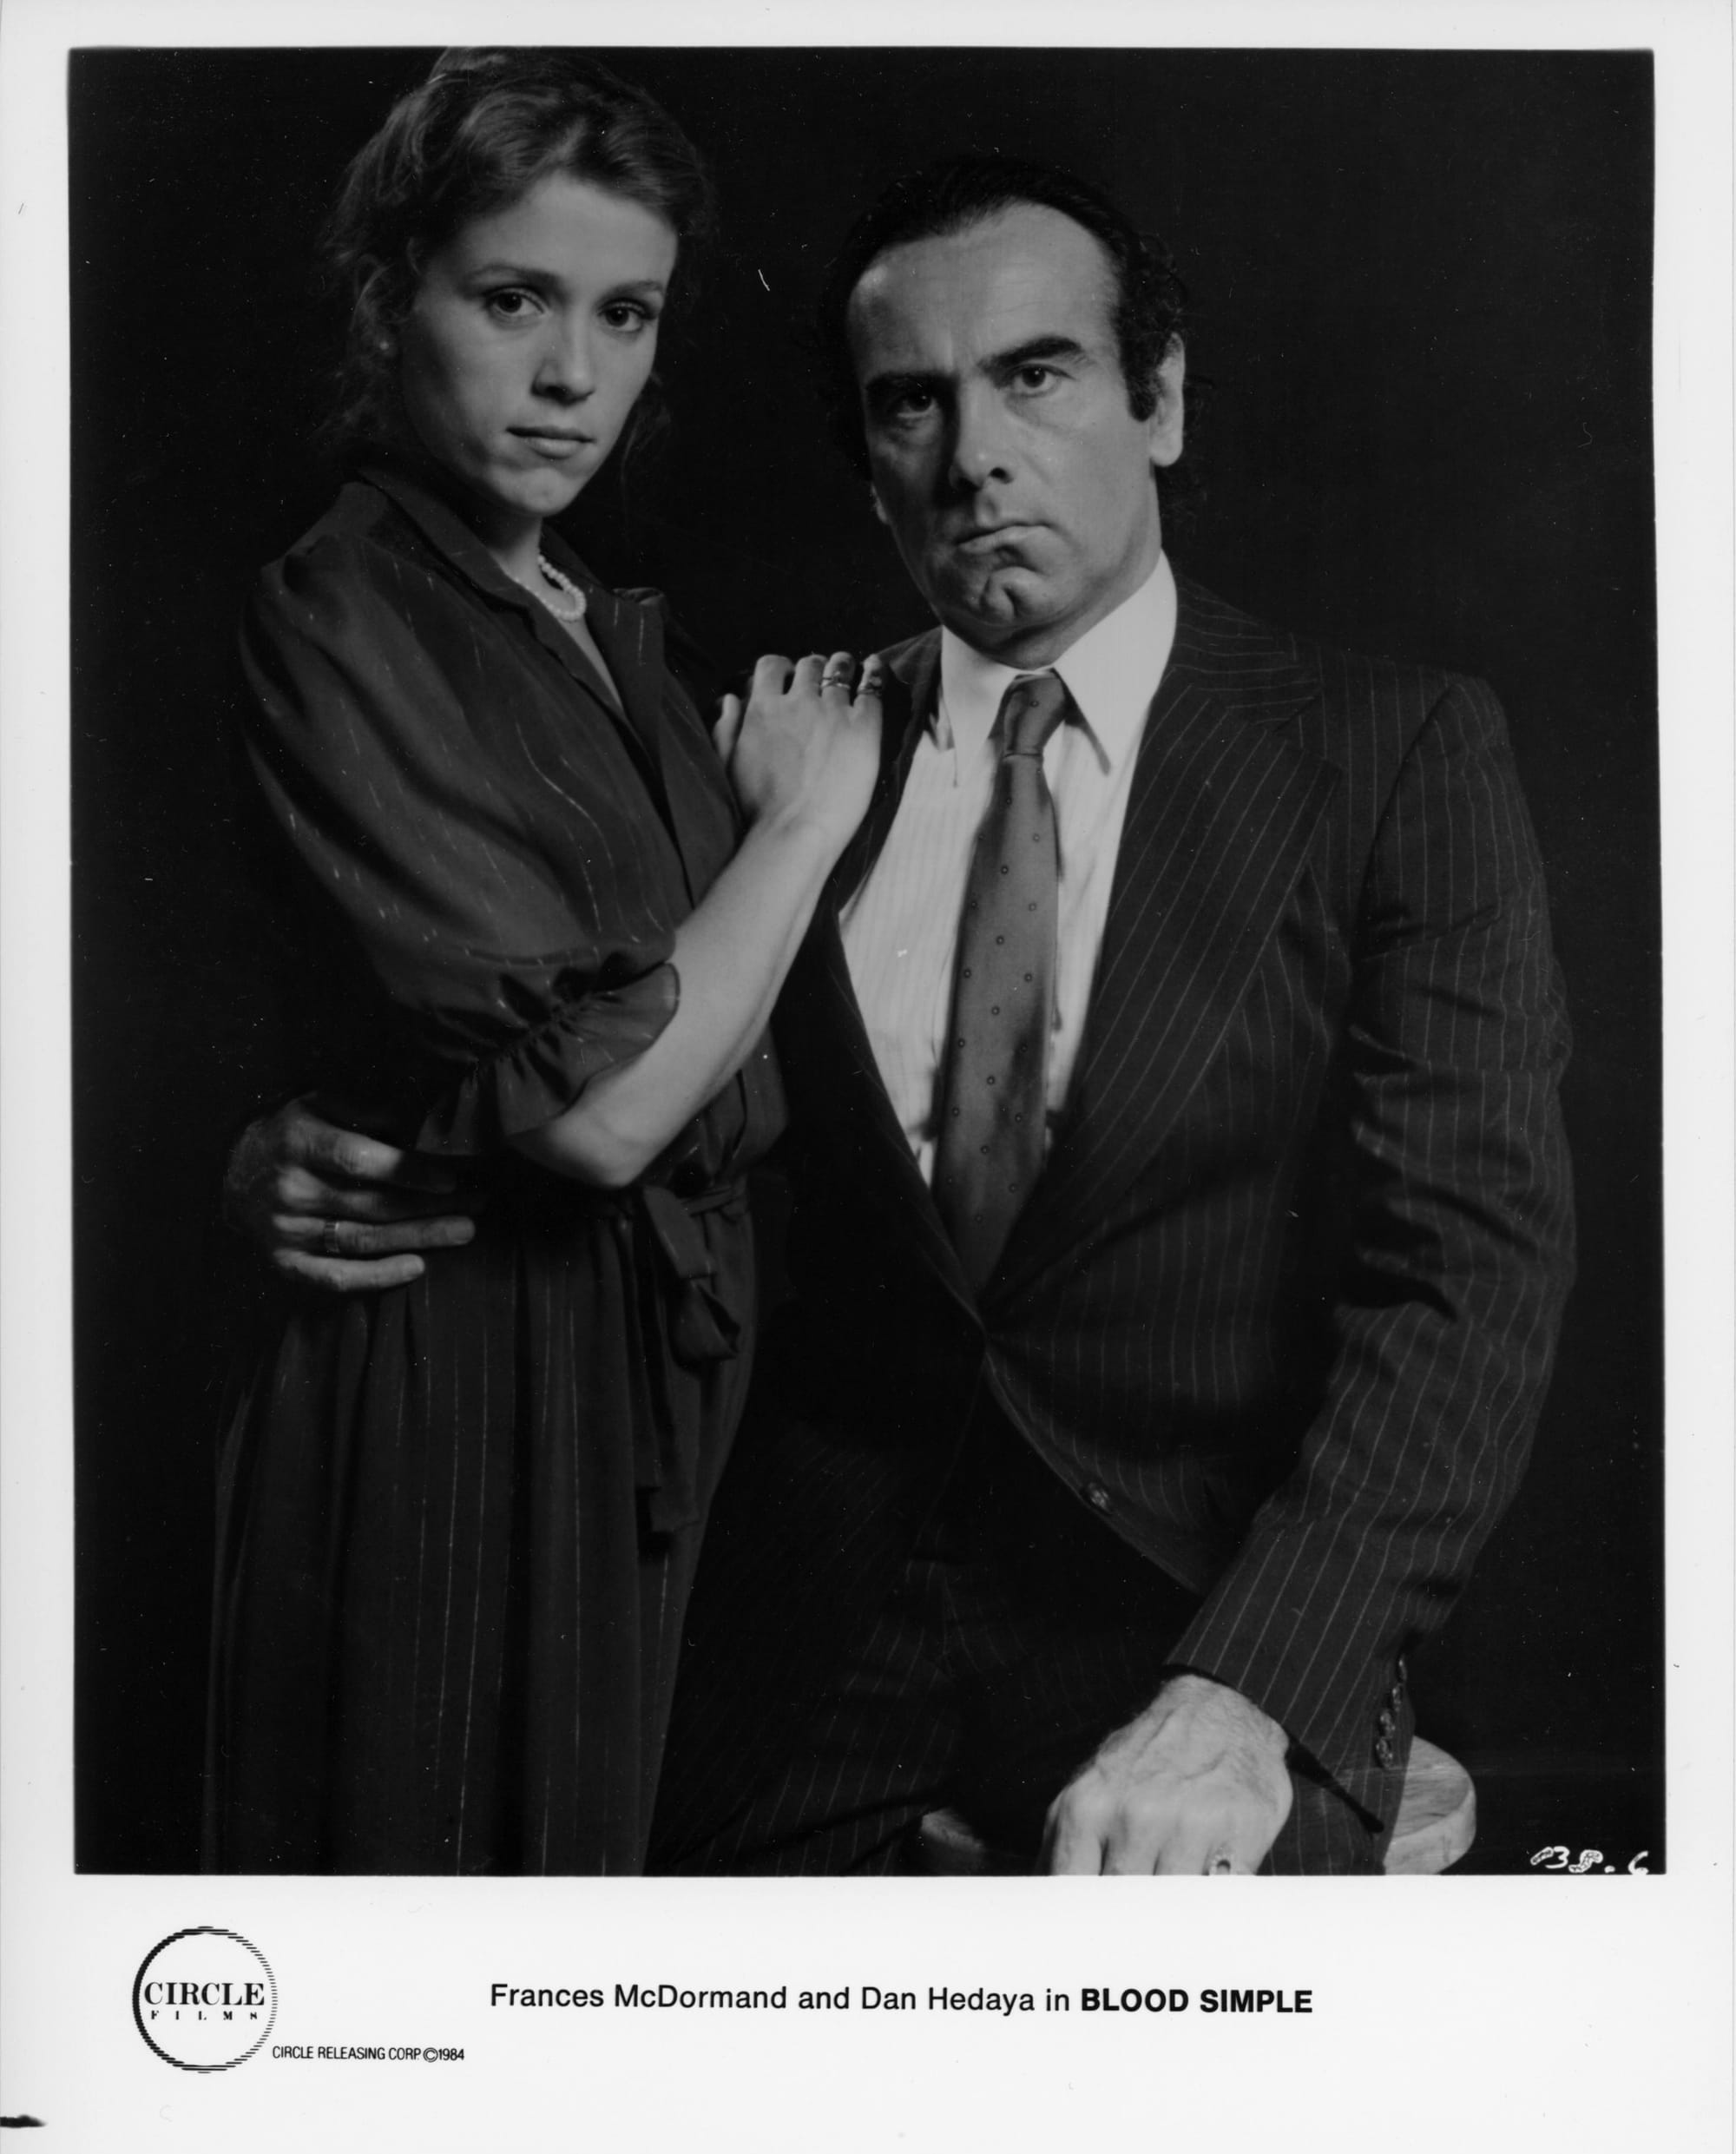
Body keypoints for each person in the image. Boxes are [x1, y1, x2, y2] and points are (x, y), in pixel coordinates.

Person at [231, 154, 1575, 1877]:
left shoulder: (1386, 753)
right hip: (797, 1608)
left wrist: (1248, 1687)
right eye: (909, 405)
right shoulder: (770, 756)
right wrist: (279, 1148)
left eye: (1037, 375)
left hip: (1200, 1597)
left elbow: (1468, 1276)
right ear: (870, 469)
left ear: (1157, 402)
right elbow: (561, 1045)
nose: (975, 454)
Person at [204, 49, 881, 1876]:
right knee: (444, 1907)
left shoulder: (592, 618)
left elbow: (703, 1037)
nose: (573, 372)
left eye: (626, 312)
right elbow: (592, 1123)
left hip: (653, 1373)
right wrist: (799, 831)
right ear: (390, 293)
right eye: (512, 298)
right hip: (466, 1373)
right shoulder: (344, 597)